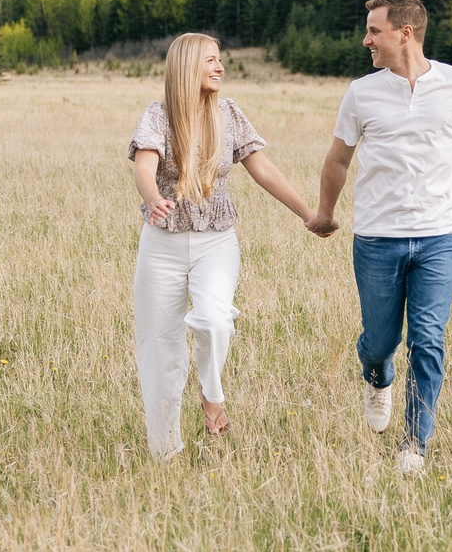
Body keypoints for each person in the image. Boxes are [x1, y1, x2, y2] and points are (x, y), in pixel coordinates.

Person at [308, 0, 452, 476]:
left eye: (374, 31)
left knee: (428, 338)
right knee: (380, 343)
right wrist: (324, 212)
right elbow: (338, 159)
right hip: (377, 239)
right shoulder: (362, 92)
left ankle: (413, 445)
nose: (366, 40)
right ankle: (377, 378)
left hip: (440, 236)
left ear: (406, 33)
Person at [127, 31, 316, 459]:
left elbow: (262, 169)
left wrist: (308, 214)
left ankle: (212, 397)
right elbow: (145, 166)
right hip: (162, 245)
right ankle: (165, 452)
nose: (220, 67)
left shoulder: (228, 114)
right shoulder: (157, 116)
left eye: (220, 59)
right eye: (211, 60)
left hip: (217, 242)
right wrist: (154, 199)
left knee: (214, 320)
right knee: (159, 347)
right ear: (187, 67)